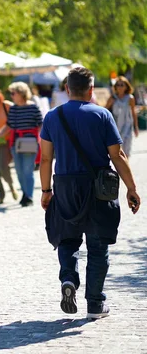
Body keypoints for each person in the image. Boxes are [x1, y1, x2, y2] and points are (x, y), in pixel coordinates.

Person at [39, 66, 141, 320]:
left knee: (67, 239)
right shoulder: (102, 115)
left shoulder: (53, 117)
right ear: (91, 90)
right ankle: (95, 304)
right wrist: (132, 188)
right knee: (98, 245)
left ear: (67, 89)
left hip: (64, 185)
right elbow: (117, 155)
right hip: (98, 187)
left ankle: (69, 279)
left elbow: (45, 159)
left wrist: (45, 190)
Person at [0, 82, 43, 207]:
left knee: (28, 170)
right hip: (16, 144)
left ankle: (28, 196)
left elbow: (41, 124)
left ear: (21, 93)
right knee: (19, 171)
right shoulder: (13, 108)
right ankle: (25, 193)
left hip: (30, 143)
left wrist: (40, 139)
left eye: (14, 93)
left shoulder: (33, 107)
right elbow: (9, 126)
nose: (12, 95)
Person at [106, 76, 139, 156]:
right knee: (117, 151)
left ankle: (126, 167)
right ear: (115, 87)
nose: (120, 87)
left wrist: (136, 127)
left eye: (122, 85)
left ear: (126, 86)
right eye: (118, 85)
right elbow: (104, 110)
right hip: (115, 126)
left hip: (127, 126)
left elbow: (133, 112)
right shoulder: (113, 98)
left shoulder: (130, 98)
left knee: (126, 149)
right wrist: (110, 103)